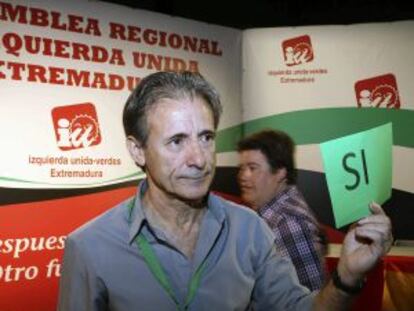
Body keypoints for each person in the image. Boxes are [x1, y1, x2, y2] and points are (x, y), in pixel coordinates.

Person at [57, 71, 393, 311]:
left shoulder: (251, 231)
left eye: (206, 137)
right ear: (137, 151)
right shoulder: (89, 247)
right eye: (177, 141)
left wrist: (347, 277)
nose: (199, 158)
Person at [237, 129, 327, 291]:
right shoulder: (272, 215)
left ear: (280, 172)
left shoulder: (287, 223)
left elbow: (311, 302)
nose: (243, 176)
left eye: (252, 168)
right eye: (242, 168)